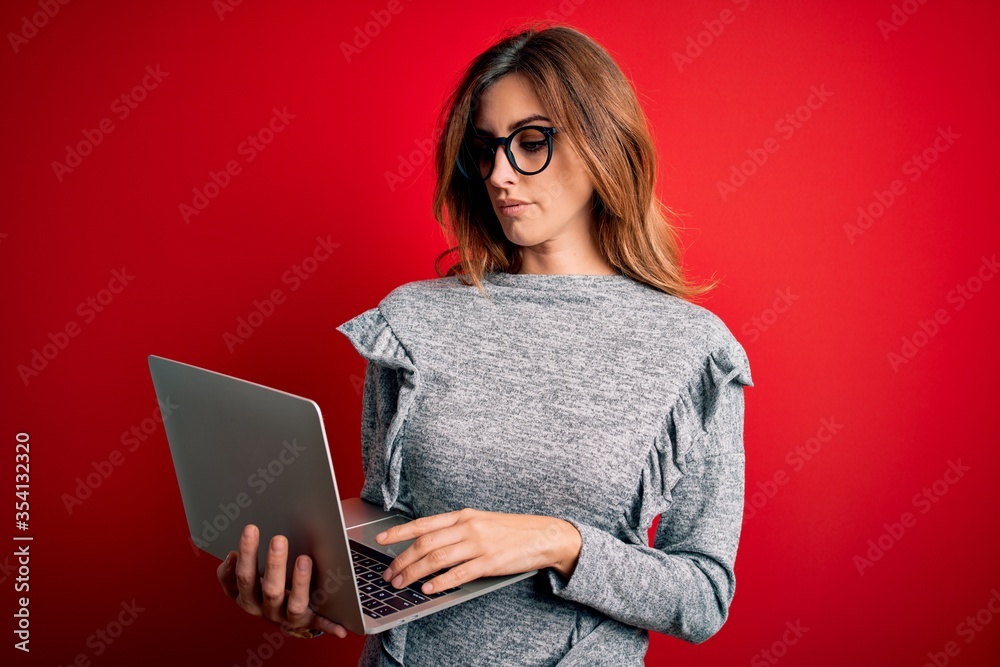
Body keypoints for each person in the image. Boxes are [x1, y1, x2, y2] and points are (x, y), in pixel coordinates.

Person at [217, 23, 753, 666]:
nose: (500, 174)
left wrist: (560, 543)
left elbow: (702, 597)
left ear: (604, 143)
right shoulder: (412, 321)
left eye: (531, 142)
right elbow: (389, 535)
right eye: (485, 149)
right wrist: (308, 597)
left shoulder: (690, 349)